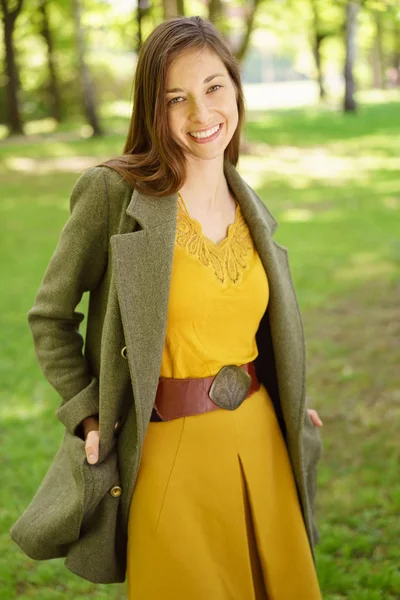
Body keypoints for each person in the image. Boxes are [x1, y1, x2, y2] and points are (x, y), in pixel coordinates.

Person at [10, 15, 323, 599]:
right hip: (166, 452)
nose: (201, 115)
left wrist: (289, 395)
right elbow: (50, 316)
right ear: (152, 109)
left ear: (236, 88)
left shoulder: (247, 198)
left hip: (261, 439)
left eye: (213, 88)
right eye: (176, 98)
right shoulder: (112, 194)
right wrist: (88, 411)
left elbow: (255, 323)